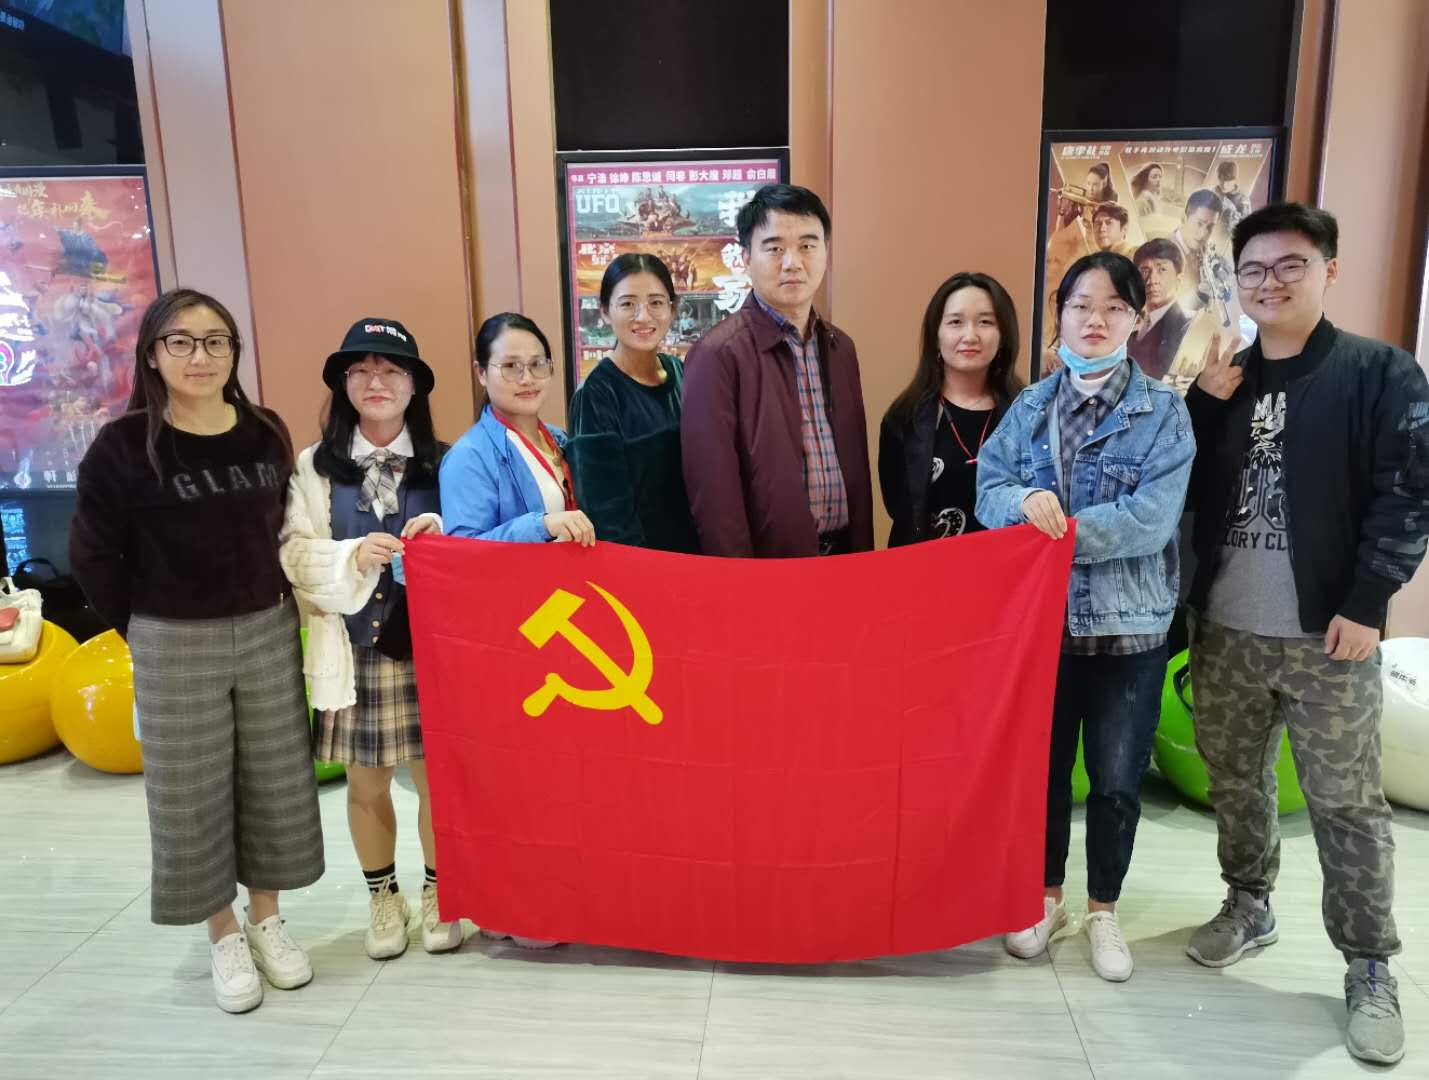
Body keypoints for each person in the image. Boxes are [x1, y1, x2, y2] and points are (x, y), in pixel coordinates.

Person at [1182, 203, 1429, 1066]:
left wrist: (1366, 602)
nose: (1269, 283)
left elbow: (1408, 495)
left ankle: (1369, 963)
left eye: (1289, 265)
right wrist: (1199, 407)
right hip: (1223, 626)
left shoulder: (1378, 373)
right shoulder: (1224, 380)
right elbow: (1182, 486)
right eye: (1252, 270)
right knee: (1233, 782)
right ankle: (1247, 903)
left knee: (1345, 802)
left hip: (1329, 632)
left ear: (1328, 269)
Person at [69, 288, 323, 1013]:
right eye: (179, 342)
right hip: (172, 637)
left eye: (216, 341)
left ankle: (266, 917)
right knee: (191, 792)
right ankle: (223, 932)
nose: (199, 356)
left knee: (276, 779)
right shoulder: (123, 446)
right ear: (152, 354)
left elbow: (284, 530)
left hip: (268, 628)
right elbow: (93, 555)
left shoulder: (264, 432)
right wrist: (143, 627)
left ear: (233, 352)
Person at [976, 252, 1195, 984]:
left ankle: (1104, 909)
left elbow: (1150, 521)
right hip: (1041, 630)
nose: (1093, 320)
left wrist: (1056, 530)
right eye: (1079, 306)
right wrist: (1019, 503)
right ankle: (1046, 900)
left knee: (1115, 779)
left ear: (1136, 319)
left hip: (1130, 631)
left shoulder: (1163, 413)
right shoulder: (1030, 407)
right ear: (1060, 315)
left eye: (1111, 307)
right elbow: (989, 491)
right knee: (1042, 777)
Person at [278, 317, 462, 962]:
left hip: (435, 649)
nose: (376, 381)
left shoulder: (447, 461)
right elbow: (292, 552)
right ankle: (384, 897)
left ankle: (440, 890)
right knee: (365, 783)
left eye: (391, 369)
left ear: (415, 385)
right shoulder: (314, 466)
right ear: (344, 384)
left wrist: (442, 539)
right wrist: (350, 557)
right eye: (361, 370)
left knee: (439, 783)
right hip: (354, 649)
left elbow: (479, 543)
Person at [681, 184, 873, 557]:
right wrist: (741, 579)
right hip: (770, 568)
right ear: (746, 258)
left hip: (844, 558)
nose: (792, 262)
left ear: (825, 252)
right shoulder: (717, 355)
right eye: (774, 248)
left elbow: (857, 469)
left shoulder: (841, 348)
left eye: (807, 246)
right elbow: (714, 497)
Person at [567, 254, 699, 552]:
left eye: (656, 303)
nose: (643, 317)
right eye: (627, 304)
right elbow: (605, 513)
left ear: (672, 309)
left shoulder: (682, 373)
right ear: (605, 311)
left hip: (697, 558)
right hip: (641, 564)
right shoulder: (596, 394)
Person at [879, 272, 1022, 545]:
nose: (970, 335)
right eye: (956, 322)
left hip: (1008, 566)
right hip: (925, 567)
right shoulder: (903, 418)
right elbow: (899, 508)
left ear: (1003, 335)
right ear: (936, 334)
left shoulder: (1028, 414)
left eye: (985, 322)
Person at [1128, 238, 1193, 381]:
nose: (1152, 280)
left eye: (1162, 269)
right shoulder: (1131, 322)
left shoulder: (1185, 329)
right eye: (1145, 271)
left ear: (1179, 279)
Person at [1170, 188, 1223, 296]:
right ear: (1183, 219)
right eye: (1199, 223)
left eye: (1210, 227)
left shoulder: (1203, 250)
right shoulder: (1161, 255)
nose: (1203, 233)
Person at [1214, 160, 1252, 235]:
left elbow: (1247, 227)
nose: (1224, 184)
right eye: (1221, 179)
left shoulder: (1242, 199)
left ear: (1235, 180)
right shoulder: (1212, 192)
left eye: (1228, 181)